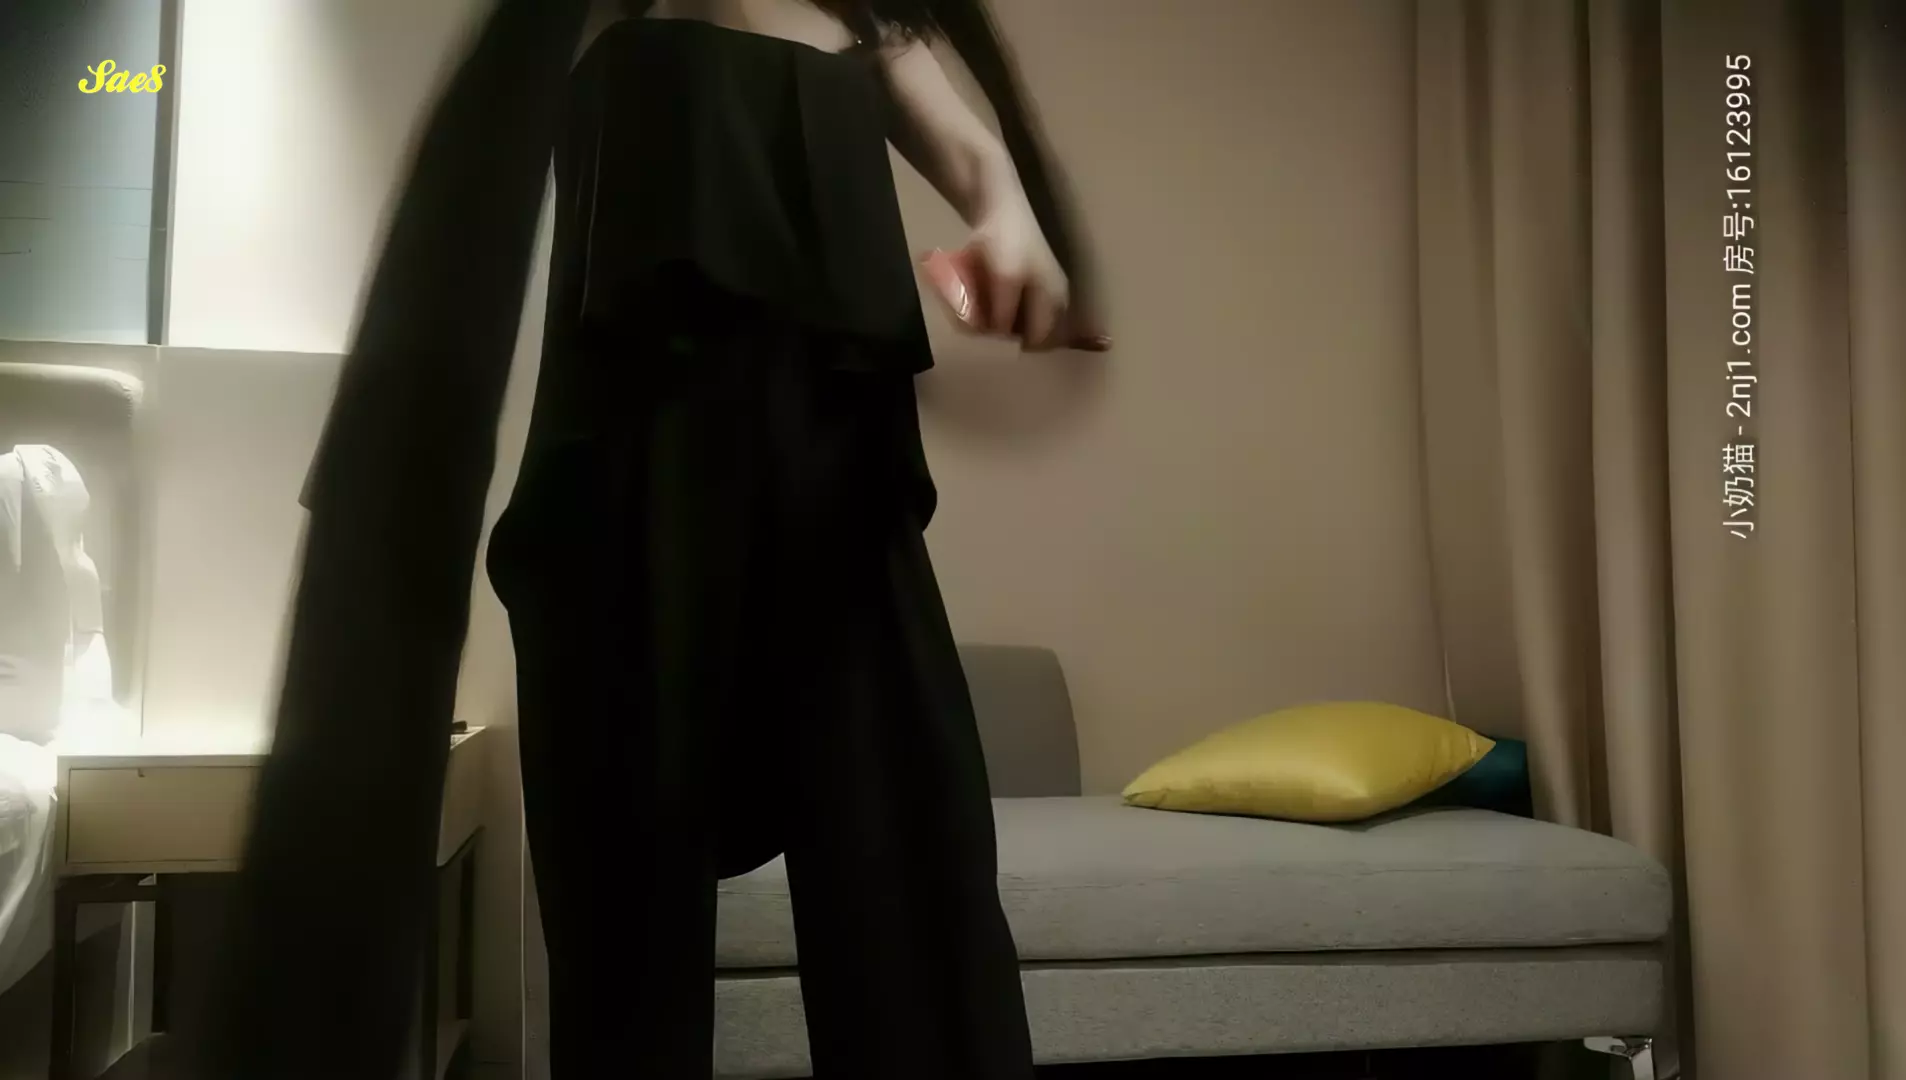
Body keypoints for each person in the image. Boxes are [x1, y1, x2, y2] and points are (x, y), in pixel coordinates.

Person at [190, 1, 1103, 1078]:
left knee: (920, 907)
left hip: (848, 507)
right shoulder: (591, 14)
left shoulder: (867, 24)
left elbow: (985, 168)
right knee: (627, 963)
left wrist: (1010, 224)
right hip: (622, 514)